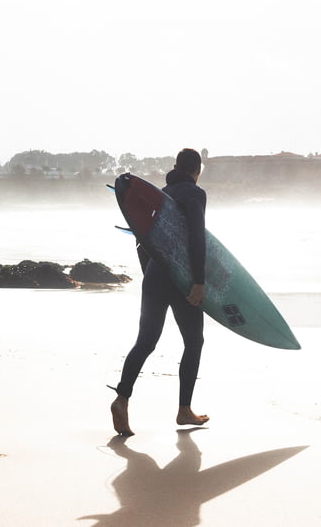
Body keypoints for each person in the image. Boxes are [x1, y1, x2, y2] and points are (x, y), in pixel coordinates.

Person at [111, 148, 209, 436]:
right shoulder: (195, 194)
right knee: (194, 342)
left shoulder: (161, 193)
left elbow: (143, 240)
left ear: (175, 167)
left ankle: (121, 399)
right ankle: (184, 409)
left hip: (155, 274)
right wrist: (199, 281)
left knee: (146, 342)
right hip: (182, 279)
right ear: (197, 171)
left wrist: (151, 274)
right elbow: (196, 237)